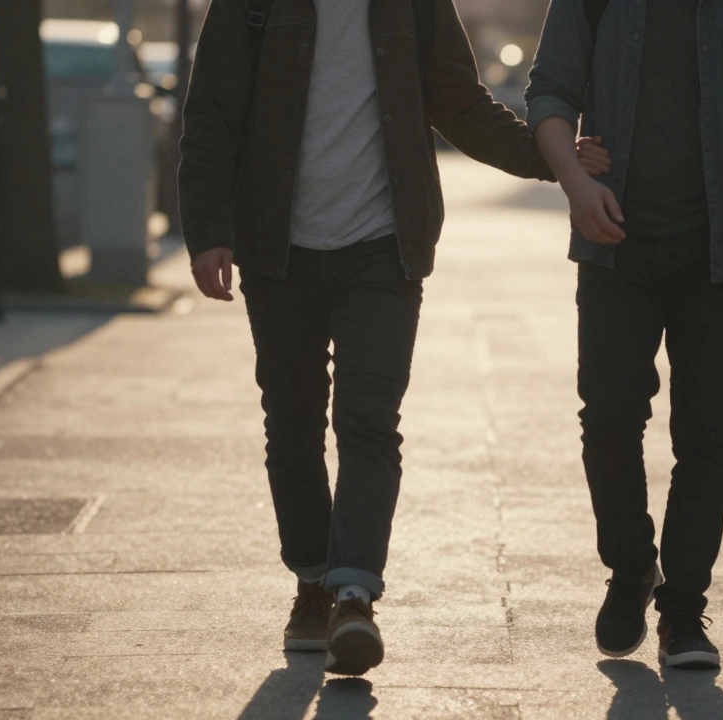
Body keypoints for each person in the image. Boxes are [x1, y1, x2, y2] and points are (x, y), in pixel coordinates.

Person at [178, 0, 609, 677]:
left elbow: (460, 104)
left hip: (383, 248)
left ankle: (353, 592)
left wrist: (547, 156)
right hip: (276, 247)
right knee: (291, 426)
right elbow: (212, 114)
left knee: (368, 421)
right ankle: (312, 578)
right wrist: (206, 231)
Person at [526, 0, 723, 670]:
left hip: (717, 253)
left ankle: (683, 611)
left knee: (705, 437)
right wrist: (574, 181)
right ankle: (630, 569)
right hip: (614, 245)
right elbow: (550, 90)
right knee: (607, 418)